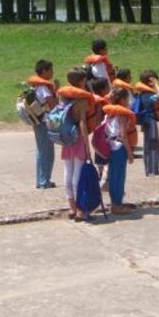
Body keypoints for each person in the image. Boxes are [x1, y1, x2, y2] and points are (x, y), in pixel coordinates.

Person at [57, 68, 94, 220]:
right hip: (78, 138)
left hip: (66, 139)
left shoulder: (63, 96)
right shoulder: (82, 99)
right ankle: (80, 209)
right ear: (81, 82)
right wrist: (87, 144)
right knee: (77, 176)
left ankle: (71, 207)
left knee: (68, 172)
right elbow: (83, 123)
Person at [103, 88, 137, 215]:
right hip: (118, 147)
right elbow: (123, 134)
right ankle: (117, 205)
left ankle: (115, 202)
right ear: (122, 100)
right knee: (119, 177)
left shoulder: (109, 112)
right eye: (127, 99)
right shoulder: (121, 114)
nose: (129, 102)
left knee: (113, 176)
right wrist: (129, 152)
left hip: (109, 146)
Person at [27, 60, 58, 189]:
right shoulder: (44, 88)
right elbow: (53, 105)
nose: (52, 72)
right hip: (45, 122)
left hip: (37, 121)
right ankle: (44, 181)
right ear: (44, 71)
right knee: (47, 152)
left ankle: (41, 180)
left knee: (41, 151)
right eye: (50, 70)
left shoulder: (34, 86)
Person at [135, 70, 159, 176]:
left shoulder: (143, 93)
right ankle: (152, 170)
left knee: (148, 144)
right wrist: (156, 84)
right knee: (153, 144)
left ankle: (150, 170)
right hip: (150, 121)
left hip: (146, 121)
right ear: (150, 81)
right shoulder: (149, 94)